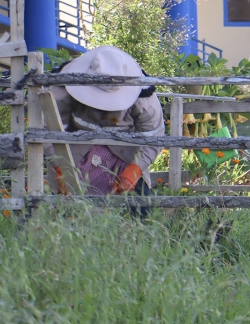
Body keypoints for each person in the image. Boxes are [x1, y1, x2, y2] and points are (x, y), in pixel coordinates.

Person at [44, 46, 164, 215]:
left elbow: (154, 136)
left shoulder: (144, 98)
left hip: (125, 156)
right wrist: (61, 167)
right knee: (65, 214)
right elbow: (49, 130)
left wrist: (135, 169)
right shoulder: (63, 89)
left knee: (139, 213)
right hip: (75, 155)